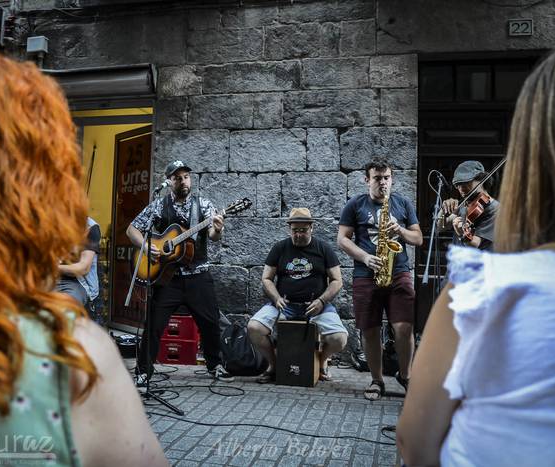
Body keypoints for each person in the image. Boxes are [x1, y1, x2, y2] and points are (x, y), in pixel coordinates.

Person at [0, 47, 166, 466]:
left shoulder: (88, 227)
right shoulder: (75, 353)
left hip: (67, 284)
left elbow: (83, 267)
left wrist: (57, 269)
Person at [397, 32, 555, 467]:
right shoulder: (469, 211)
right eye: (461, 189)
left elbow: (415, 446)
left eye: (470, 188)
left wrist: (473, 238)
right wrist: (453, 224)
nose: (466, 194)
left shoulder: (491, 273)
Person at [127, 160, 233, 384]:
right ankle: (144, 370)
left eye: (186, 177)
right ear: (169, 182)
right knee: (153, 325)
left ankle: (215, 366)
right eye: (177, 178)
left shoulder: (203, 205)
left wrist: (218, 227)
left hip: (198, 275)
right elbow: (132, 229)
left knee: (210, 323)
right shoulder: (158, 205)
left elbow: (213, 235)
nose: (183, 181)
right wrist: (147, 247)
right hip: (167, 279)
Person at [337, 158, 423, 400]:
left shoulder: (402, 204)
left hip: (398, 271)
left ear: (391, 179)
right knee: (370, 329)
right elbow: (342, 239)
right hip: (367, 273)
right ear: (367, 180)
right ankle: (376, 380)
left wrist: (401, 231)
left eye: (386, 178)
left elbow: (418, 239)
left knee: (404, 327)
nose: (383, 183)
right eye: (377, 178)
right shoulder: (355, 205)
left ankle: (406, 376)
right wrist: (364, 257)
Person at [248, 208, 348, 383]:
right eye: (295, 230)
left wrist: (322, 300)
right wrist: (276, 298)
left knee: (339, 339)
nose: (298, 235)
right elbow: (267, 278)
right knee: (254, 328)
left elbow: (337, 280)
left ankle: (321, 362)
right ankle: (275, 365)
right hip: (284, 305)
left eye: (303, 230)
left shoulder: (323, 248)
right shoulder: (280, 248)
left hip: (316, 306)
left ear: (311, 228)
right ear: (289, 229)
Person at [438, 161, 499, 251]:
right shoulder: (464, 204)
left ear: (481, 180)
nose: (461, 189)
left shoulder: (494, 208)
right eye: (458, 185)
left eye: (466, 183)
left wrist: (461, 234)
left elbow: (475, 244)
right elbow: (440, 228)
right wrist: (443, 210)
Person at [56, 217, 101, 312]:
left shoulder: (89, 226)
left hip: (77, 282)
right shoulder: (48, 222)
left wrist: (52, 267)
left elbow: (83, 268)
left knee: (64, 309)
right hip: (50, 278)